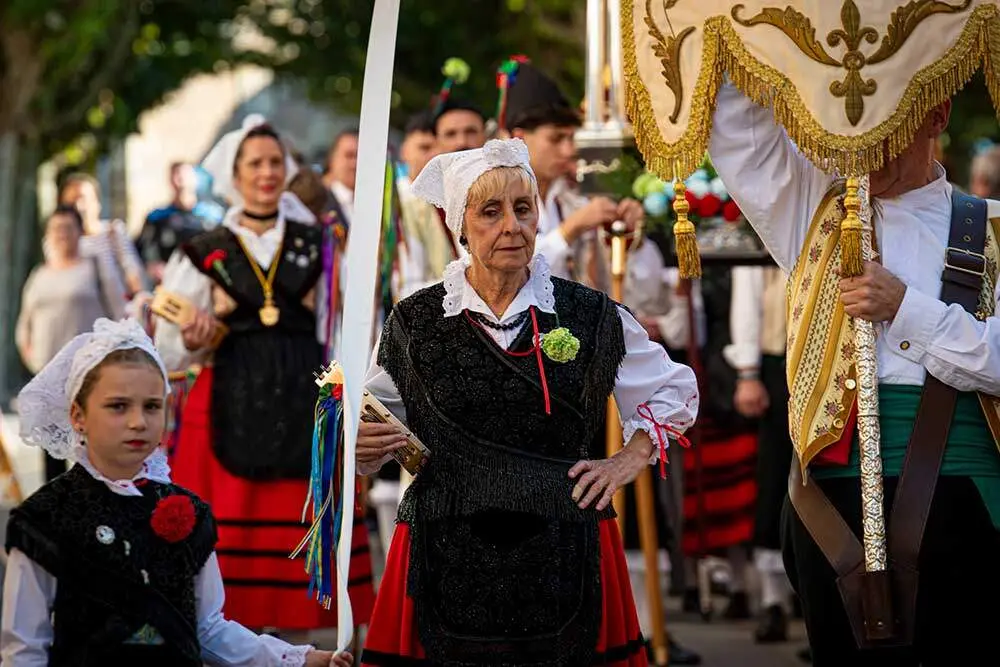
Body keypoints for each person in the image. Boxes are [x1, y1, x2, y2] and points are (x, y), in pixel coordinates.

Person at [354, 138, 699, 665]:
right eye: (490, 212)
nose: (511, 226)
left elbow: (673, 389)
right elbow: (374, 424)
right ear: (459, 225)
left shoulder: (588, 314)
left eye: (522, 208)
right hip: (443, 545)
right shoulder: (415, 323)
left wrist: (628, 459)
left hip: (568, 542)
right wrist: (360, 447)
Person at [710, 80, 1000, 665]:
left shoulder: (991, 225)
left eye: (886, 119)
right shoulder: (810, 210)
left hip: (965, 488)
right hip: (833, 493)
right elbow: (734, 123)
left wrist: (906, 308)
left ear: (936, 114)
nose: (863, 141)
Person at [2, 317, 351, 666]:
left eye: (151, 406)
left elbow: (210, 630)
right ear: (78, 415)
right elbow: (24, 649)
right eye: (118, 406)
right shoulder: (45, 520)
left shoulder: (188, 512)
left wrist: (298, 659)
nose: (138, 421)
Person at [154, 116, 374, 632]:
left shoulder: (318, 243)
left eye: (276, 162)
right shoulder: (204, 248)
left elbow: (343, 327)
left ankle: (309, 652)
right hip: (229, 400)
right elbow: (169, 352)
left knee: (301, 585)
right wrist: (191, 338)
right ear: (235, 173)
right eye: (255, 163)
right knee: (229, 575)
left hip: (306, 401)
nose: (267, 172)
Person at [496, 59, 643, 288]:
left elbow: (647, 298)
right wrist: (570, 229)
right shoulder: (490, 194)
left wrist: (628, 237)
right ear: (520, 138)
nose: (569, 150)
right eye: (556, 139)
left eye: (571, 138)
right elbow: (504, 273)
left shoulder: (574, 195)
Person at [726, 265, 799, 643]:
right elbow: (748, 298)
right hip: (777, 361)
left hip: (833, 358)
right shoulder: (768, 219)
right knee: (776, 479)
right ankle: (774, 600)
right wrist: (748, 372)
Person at [59, 173, 148, 298]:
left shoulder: (113, 232)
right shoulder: (58, 242)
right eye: (71, 201)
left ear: (97, 203)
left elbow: (132, 270)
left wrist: (138, 299)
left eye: (83, 199)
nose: (78, 207)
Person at [137, 162, 217, 284]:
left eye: (186, 174)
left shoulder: (212, 216)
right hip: (170, 285)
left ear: (195, 179)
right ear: (170, 180)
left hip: (206, 282)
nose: (181, 178)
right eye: (176, 174)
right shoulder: (157, 217)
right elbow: (141, 249)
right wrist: (152, 267)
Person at [324, 128, 359, 224]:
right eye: (349, 155)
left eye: (360, 157)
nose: (355, 163)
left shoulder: (376, 206)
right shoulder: (320, 203)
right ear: (332, 159)